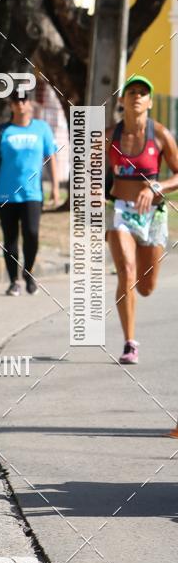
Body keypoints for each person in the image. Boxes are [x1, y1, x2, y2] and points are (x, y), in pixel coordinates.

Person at [105, 75, 178, 364]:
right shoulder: (110, 135)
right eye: (131, 92)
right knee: (126, 271)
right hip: (120, 210)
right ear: (122, 101)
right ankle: (129, 343)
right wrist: (96, 189)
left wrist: (157, 186)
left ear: (149, 102)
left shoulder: (160, 134)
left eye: (142, 92)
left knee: (146, 287)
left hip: (153, 215)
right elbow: (91, 170)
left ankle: (137, 303)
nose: (137, 96)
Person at [0, 89, 59, 296]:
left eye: (23, 99)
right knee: (10, 239)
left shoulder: (42, 129)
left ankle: (28, 273)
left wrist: (56, 187)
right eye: (16, 100)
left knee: (31, 234)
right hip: (5, 194)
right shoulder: (2, 131)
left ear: (29, 103)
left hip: (32, 194)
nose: (20, 103)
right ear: (11, 105)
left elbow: (51, 158)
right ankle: (14, 280)